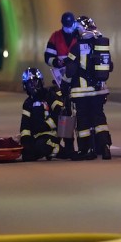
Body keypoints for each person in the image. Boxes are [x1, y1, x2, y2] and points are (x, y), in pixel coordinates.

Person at [65, 15, 113, 160]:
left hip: (81, 92)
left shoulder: (76, 47)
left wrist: (64, 84)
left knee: (84, 121)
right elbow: (109, 66)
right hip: (99, 90)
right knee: (99, 118)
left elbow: (70, 71)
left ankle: (86, 150)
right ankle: (104, 147)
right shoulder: (100, 45)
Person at [44, 12, 79, 157]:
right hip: (61, 80)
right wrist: (56, 62)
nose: (69, 28)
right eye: (66, 25)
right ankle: (68, 145)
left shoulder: (79, 35)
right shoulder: (56, 37)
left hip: (77, 79)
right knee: (65, 111)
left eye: (70, 25)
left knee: (80, 112)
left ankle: (86, 144)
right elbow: (48, 56)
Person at [18, 67, 64, 161]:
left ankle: (58, 149)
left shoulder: (49, 95)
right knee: (27, 155)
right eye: (29, 83)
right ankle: (46, 151)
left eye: (35, 82)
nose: (32, 86)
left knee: (40, 146)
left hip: (51, 134)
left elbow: (59, 114)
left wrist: (44, 125)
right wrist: (25, 141)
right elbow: (25, 125)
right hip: (36, 137)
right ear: (25, 86)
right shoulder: (28, 103)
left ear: (40, 82)